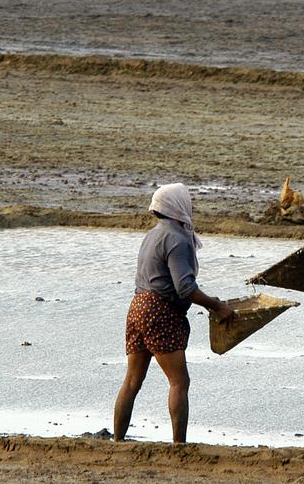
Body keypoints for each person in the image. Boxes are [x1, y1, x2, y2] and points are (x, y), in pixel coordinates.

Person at [113, 182, 235, 444]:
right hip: (159, 311)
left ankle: (118, 442)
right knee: (179, 382)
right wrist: (217, 306)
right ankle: (179, 445)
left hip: (137, 307)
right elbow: (185, 288)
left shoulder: (153, 234)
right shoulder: (178, 239)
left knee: (132, 380)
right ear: (179, 207)